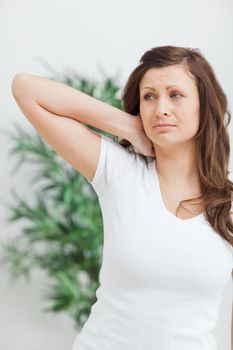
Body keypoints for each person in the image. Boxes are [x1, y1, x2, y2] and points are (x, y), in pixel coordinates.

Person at [11, 45, 233, 350]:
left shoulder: (228, 205)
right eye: (149, 96)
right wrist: (128, 126)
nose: (161, 108)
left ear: (204, 104)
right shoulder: (119, 172)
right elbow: (25, 88)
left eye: (175, 94)